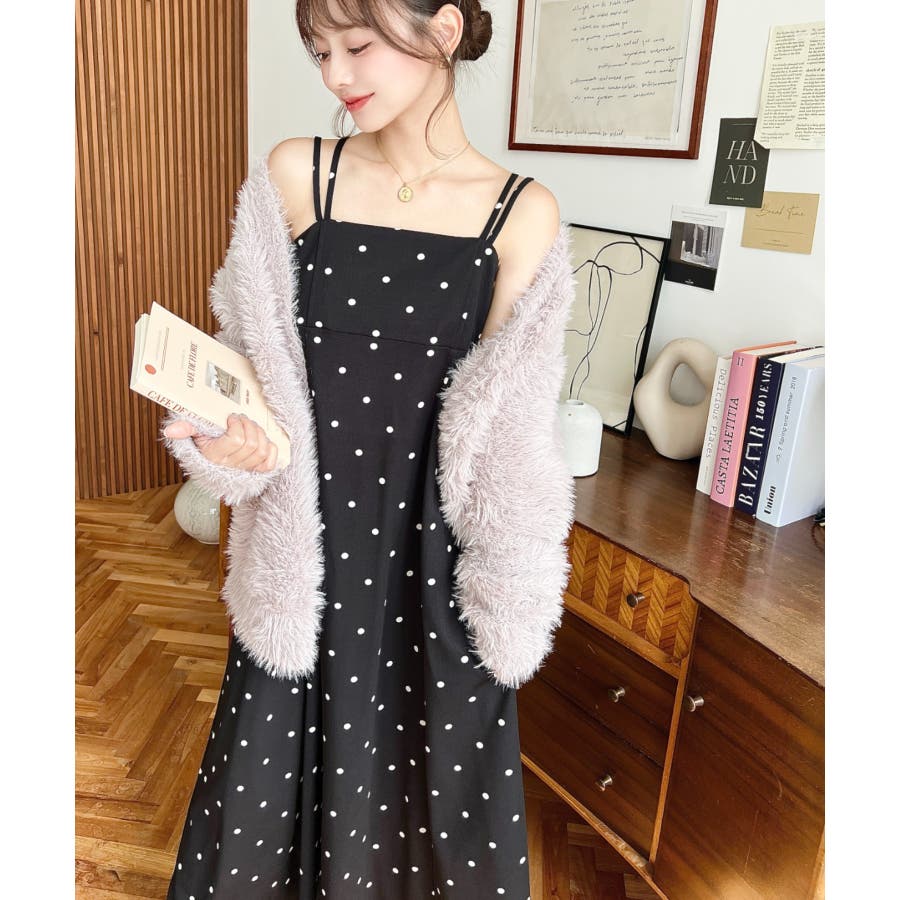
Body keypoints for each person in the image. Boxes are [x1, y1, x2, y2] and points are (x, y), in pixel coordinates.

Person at [162, 1, 575, 897]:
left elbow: (512, 442)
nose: (335, 75)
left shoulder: (522, 214)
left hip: (432, 567)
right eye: (320, 51)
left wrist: (508, 603)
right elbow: (250, 374)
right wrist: (232, 444)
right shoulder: (296, 175)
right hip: (305, 556)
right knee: (265, 786)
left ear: (444, 31)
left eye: (357, 45)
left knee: (424, 813)